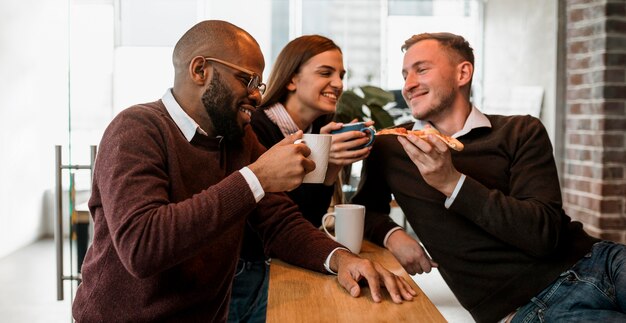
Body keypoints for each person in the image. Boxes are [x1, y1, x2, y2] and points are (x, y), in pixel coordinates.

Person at [71, 20, 416, 322]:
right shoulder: (135, 129)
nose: (256, 94)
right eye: (247, 79)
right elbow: (143, 247)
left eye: (259, 84)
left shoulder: (238, 138)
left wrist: (341, 259)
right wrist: (256, 178)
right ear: (200, 70)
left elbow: (279, 222)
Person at [352, 32, 626, 323]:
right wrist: (393, 235)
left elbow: (543, 234)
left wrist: (452, 182)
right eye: (405, 74)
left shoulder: (521, 131)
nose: (408, 85)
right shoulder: (392, 146)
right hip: (527, 310)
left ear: (463, 72)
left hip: (599, 261)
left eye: (421, 69)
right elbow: (362, 210)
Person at [226, 35, 374, 322]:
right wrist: (321, 162)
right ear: (292, 80)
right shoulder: (255, 127)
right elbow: (267, 218)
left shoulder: (317, 130)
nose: (339, 84)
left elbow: (303, 218)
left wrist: (329, 168)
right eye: (325, 72)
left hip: (283, 261)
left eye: (341, 75)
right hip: (246, 268)